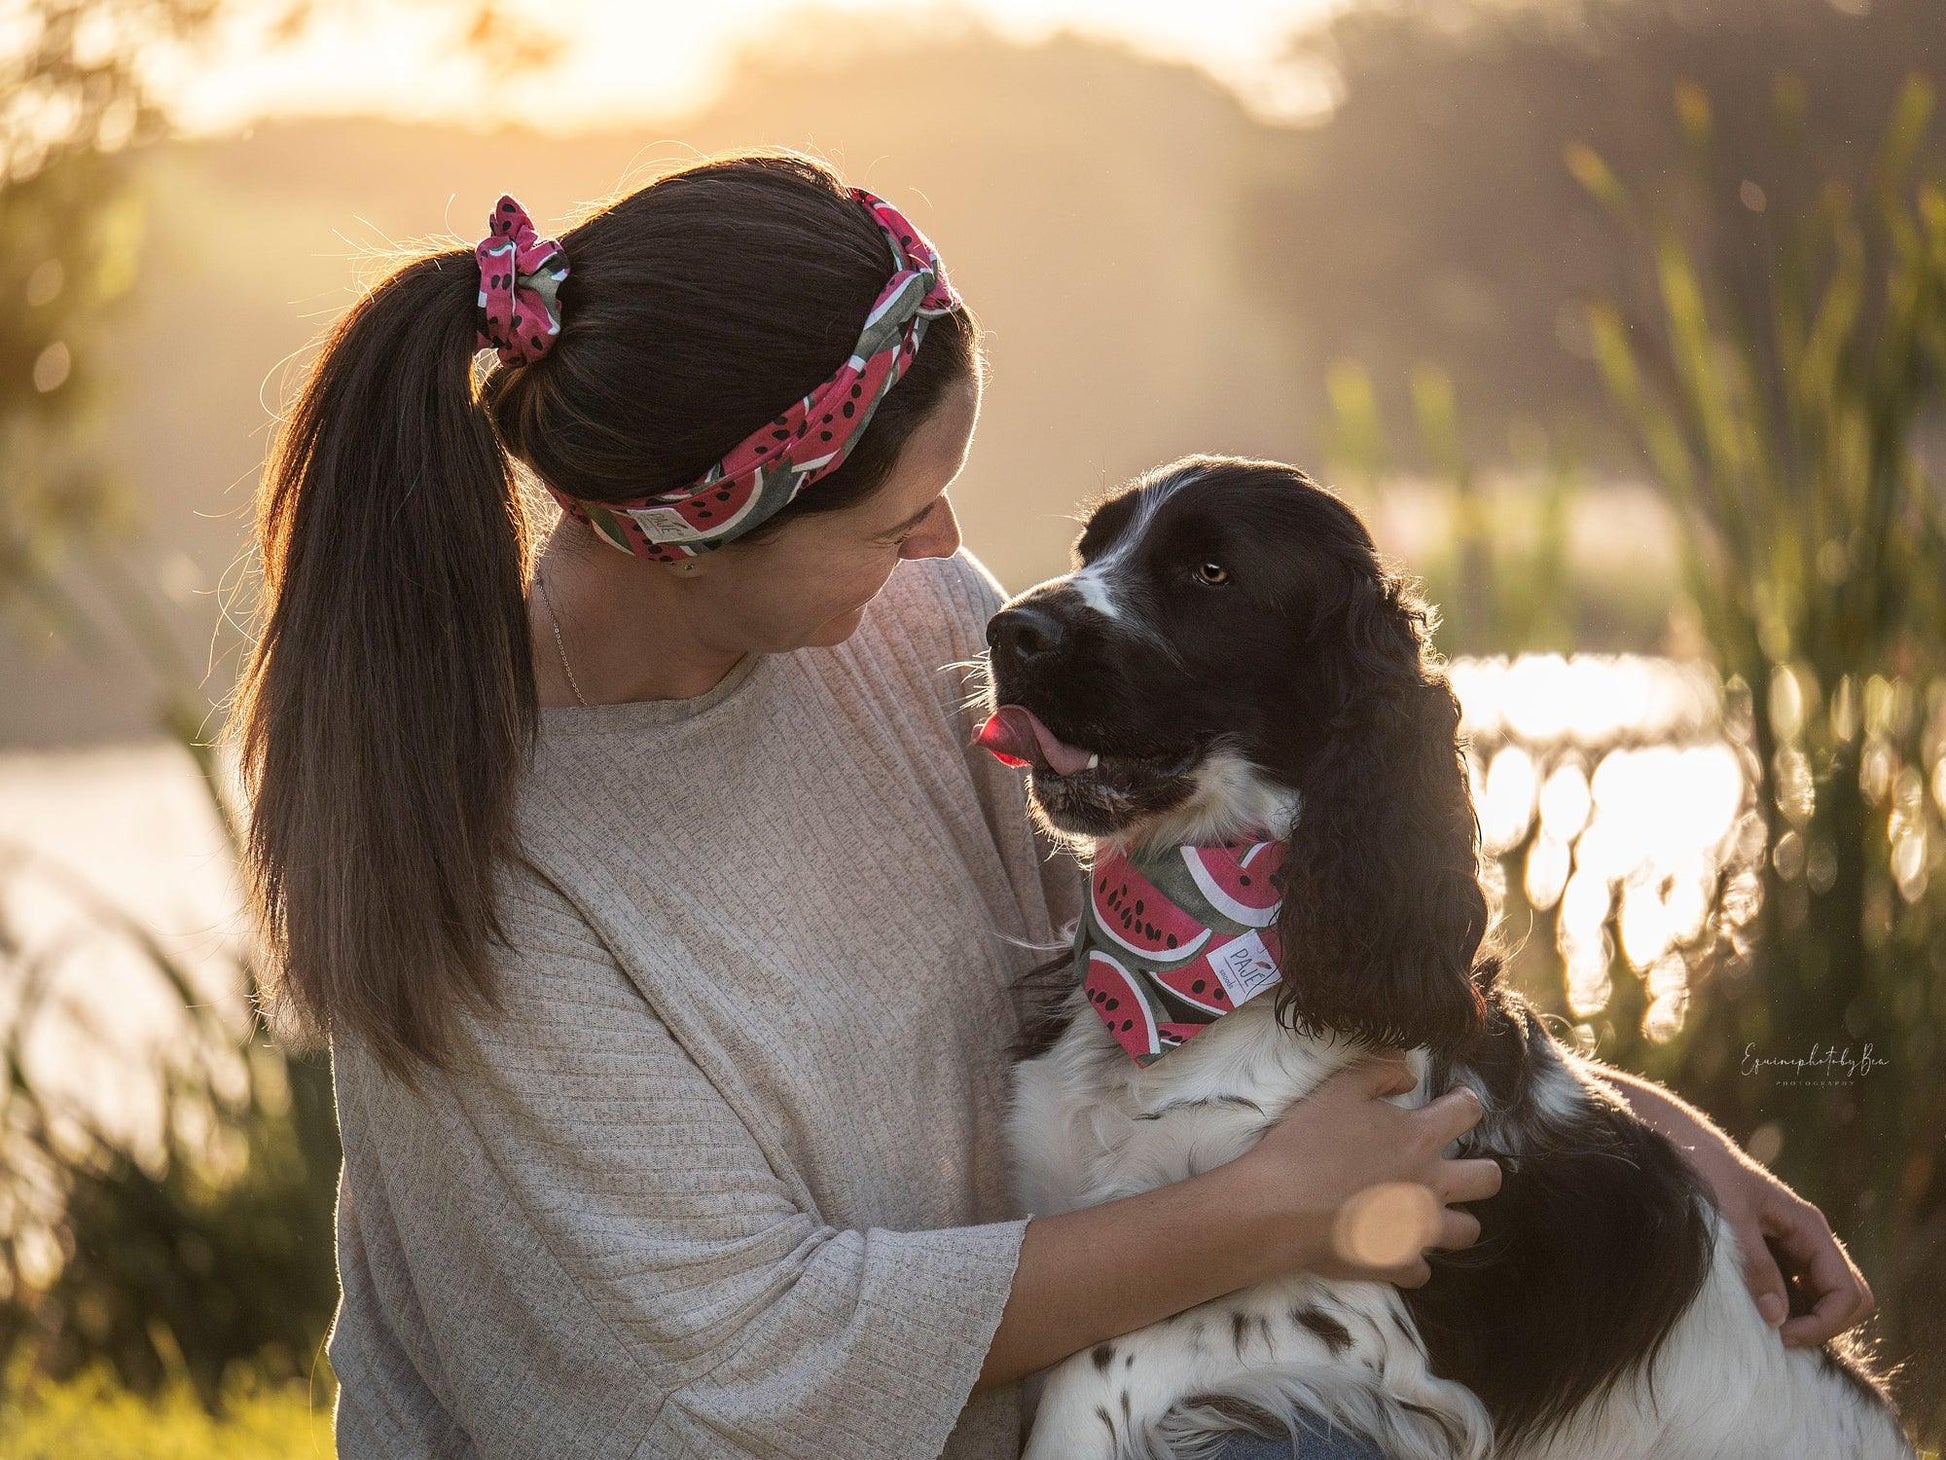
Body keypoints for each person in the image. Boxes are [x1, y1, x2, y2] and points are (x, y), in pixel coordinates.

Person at [236, 152, 1873, 1460]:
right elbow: (746, 1377)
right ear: (690, 526)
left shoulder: (904, 628)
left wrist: (1659, 1138)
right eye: (898, 511)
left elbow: (1243, 981)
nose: (955, 550)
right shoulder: (495, 885)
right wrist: (1260, 1212)